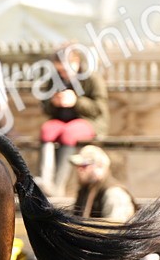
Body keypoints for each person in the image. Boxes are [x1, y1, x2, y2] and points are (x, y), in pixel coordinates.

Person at [49, 145, 135, 260]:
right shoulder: (85, 191)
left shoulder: (113, 192)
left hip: (116, 255)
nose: (79, 171)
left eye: (84, 166)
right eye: (78, 167)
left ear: (100, 167)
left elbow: (117, 231)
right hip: (92, 253)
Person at [37, 44, 109, 195]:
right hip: (61, 121)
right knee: (47, 130)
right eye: (59, 70)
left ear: (75, 62)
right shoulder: (55, 79)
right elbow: (45, 108)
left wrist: (76, 101)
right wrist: (53, 102)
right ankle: (45, 181)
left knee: (69, 133)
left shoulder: (91, 78)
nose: (62, 74)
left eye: (65, 70)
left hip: (89, 122)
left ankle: (57, 186)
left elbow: (99, 109)